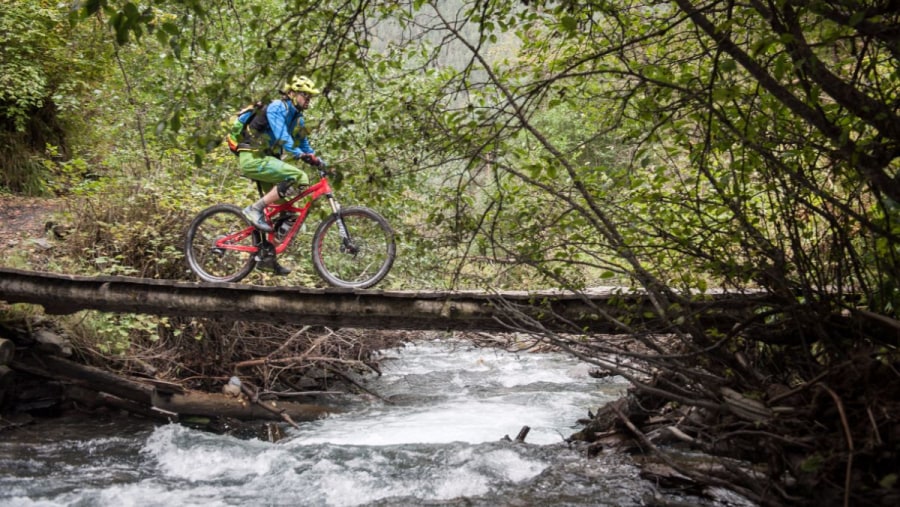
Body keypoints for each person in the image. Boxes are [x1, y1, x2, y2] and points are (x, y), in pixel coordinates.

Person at [232, 75, 326, 275]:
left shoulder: (298, 118)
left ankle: (267, 257)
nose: (308, 99)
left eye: (310, 97)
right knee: (298, 176)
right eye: (304, 95)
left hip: (267, 160)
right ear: (291, 94)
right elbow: (283, 137)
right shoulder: (277, 107)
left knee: (281, 211)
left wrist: (318, 160)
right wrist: (300, 155)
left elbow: (305, 145)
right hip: (254, 157)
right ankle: (253, 209)